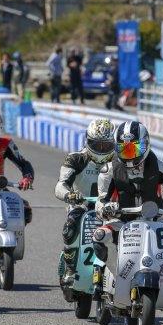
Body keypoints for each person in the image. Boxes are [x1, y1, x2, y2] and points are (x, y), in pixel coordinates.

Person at [91, 121, 163, 298]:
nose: (129, 154)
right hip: (120, 221)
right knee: (99, 237)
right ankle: (117, 275)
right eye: (124, 149)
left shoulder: (161, 166)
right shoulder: (109, 170)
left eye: (134, 149)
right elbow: (101, 200)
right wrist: (105, 208)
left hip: (154, 221)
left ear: (146, 144)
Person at [54, 118, 116, 285]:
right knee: (70, 227)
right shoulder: (76, 158)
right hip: (82, 205)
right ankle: (70, 266)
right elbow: (60, 185)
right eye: (97, 145)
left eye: (106, 145)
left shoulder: (118, 162)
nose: (101, 149)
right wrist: (69, 195)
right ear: (88, 141)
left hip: (109, 208)